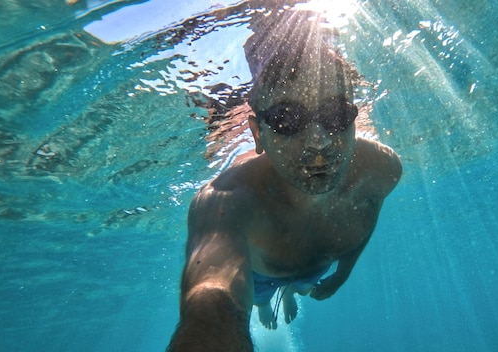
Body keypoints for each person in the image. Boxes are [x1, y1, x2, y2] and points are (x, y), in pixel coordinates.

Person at [167, 9, 402, 352]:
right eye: (287, 119)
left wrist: (341, 274)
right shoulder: (226, 202)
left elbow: (364, 223)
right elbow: (213, 302)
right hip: (262, 277)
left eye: (335, 114)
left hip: (314, 269)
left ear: (353, 119)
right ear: (257, 133)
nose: (318, 140)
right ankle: (266, 302)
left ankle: (292, 291)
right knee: (261, 298)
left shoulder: (382, 169)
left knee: (304, 284)